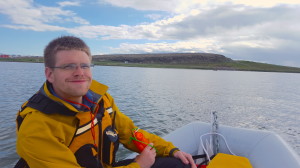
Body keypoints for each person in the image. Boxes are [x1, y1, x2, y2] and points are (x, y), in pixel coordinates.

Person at [15, 36, 197, 168]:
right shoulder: (36, 127)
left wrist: (171, 150)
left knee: (176, 164)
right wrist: (139, 165)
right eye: (68, 66)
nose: (80, 72)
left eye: (85, 65)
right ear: (49, 74)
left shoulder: (101, 101)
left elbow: (130, 133)